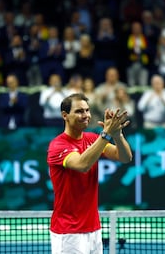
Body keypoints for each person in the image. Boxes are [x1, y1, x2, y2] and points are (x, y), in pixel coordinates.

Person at [47, 93, 132, 254]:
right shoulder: (57, 145)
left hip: (93, 229)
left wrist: (117, 135)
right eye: (79, 111)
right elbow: (82, 164)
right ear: (65, 115)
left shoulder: (93, 139)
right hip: (68, 232)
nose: (86, 115)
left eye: (87, 110)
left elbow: (125, 157)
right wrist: (106, 134)